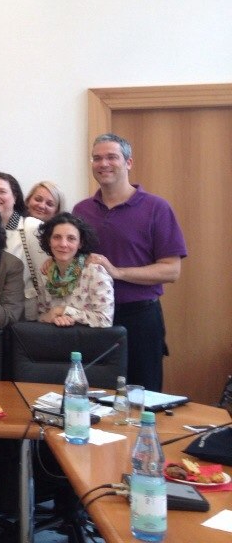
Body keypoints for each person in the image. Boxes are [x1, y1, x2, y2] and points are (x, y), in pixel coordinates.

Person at [72, 133, 186, 391]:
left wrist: (118, 272)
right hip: (92, 317)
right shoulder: (81, 210)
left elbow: (172, 270)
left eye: (112, 157)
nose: (103, 164)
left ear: (128, 162)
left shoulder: (157, 208)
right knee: (92, 394)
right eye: (97, 158)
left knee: (141, 394)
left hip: (139, 317)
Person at [0, 171, 49, 320]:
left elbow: (46, 275)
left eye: (2, 191)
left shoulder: (31, 227)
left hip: (25, 315)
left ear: (15, 197)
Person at [35, 213, 113, 328]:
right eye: (57, 237)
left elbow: (105, 320)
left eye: (71, 238)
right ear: (49, 241)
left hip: (87, 338)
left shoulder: (95, 271)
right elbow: (40, 316)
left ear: (80, 243)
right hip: (54, 338)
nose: (63, 244)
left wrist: (63, 311)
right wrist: (50, 316)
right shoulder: (45, 273)